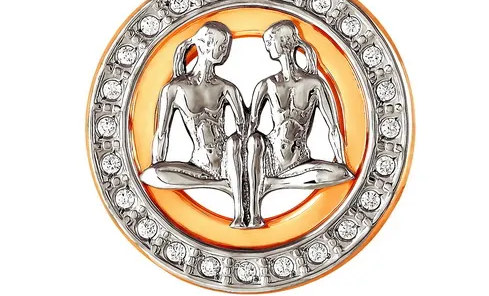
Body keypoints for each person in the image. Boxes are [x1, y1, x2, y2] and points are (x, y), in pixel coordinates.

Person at [246, 20, 354, 228]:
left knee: (342, 174)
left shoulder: (315, 84)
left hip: (300, 162)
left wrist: (342, 161)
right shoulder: (266, 85)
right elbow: (250, 127)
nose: (267, 46)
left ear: (284, 42)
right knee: (255, 140)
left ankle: (272, 184)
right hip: (270, 160)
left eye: (269, 41)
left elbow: (333, 127)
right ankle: (255, 205)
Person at [140, 22, 248, 228]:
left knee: (235, 143)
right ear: (205, 45)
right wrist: (157, 163)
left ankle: (232, 188)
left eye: (226, 46)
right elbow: (162, 134)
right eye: (221, 45)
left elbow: (244, 131)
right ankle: (223, 185)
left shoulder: (227, 88)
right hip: (198, 167)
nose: (225, 51)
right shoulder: (174, 89)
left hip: (228, 163)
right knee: (151, 174)